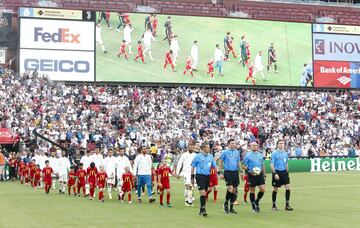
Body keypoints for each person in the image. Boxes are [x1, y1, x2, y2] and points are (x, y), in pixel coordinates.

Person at [191, 141, 217, 217]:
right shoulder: (197, 157)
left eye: (209, 147)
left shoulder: (211, 157)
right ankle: (203, 209)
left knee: (204, 193)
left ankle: (201, 209)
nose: (209, 148)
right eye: (207, 147)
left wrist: (218, 173)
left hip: (207, 176)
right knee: (202, 192)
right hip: (199, 176)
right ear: (203, 148)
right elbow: (193, 167)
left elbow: (214, 166)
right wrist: (192, 177)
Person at [242, 141, 266, 213]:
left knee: (263, 189)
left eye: (256, 145)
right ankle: (253, 207)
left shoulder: (260, 155)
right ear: (250, 146)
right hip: (251, 175)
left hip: (259, 174)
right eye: (253, 145)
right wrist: (249, 170)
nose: (255, 146)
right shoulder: (248, 155)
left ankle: (257, 201)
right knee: (252, 190)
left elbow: (262, 165)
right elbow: (243, 165)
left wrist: (264, 174)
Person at [219, 139, 242, 214]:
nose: (233, 145)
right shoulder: (224, 152)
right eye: (232, 143)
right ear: (228, 144)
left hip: (235, 172)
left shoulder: (237, 152)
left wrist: (241, 171)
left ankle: (231, 208)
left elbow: (238, 162)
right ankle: (225, 203)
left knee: (235, 190)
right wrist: (221, 172)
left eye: (234, 143)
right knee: (230, 188)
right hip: (227, 172)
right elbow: (220, 161)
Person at [270, 139, 293, 211]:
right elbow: (271, 164)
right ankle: (274, 205)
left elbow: (286, 163)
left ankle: (287, 205)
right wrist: (274, 173)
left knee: (288, 188)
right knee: (275, 189)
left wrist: (287, 172)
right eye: (280, 143)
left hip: (284, 172)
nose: (281, 144)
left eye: (282, 143)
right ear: (277, 144)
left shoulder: (285, 153)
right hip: (277, 172)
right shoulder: (274, 153)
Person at [176, 142, 197, 207]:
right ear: (188, 148)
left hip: (194, 173)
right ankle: (188, 201)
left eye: (193, 147)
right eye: (190, 147)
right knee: (189, 186)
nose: (191, 148)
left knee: (191, 187)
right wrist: (177, 173)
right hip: (186, 173)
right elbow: (179, 163)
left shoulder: (195, 155)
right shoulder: (184, 155)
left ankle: (187, 197)